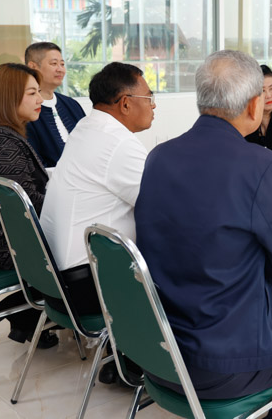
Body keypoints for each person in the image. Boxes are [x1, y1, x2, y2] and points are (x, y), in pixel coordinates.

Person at [135, 50, 272, 418]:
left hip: (161, 350)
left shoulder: (159, 157)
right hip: (225, 359)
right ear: (255, 105)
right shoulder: (260, 165)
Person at [41, 61, 155, 384]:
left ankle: (126, 354)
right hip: (85, 284)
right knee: (181, 255)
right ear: (125, 104)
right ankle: (143, 361)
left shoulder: (87, 127)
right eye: (149, 97)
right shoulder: (118, 143)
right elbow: (163, 207)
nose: (154, 105)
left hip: (54, 276)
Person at [0, 63, 56, 348]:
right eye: (32, 93)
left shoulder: (0, 135)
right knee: (84, 247)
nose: (40, 99)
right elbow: (29, 207)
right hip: (0, 246)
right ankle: (41, 314)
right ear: (9, 98)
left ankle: (31, 314)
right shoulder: (1, 144)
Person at [24, 42, 85, 168]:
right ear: (32, 67)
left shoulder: (72, 105)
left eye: (62, 64)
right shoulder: (25, 110)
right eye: (54, 64)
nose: (60, 69)